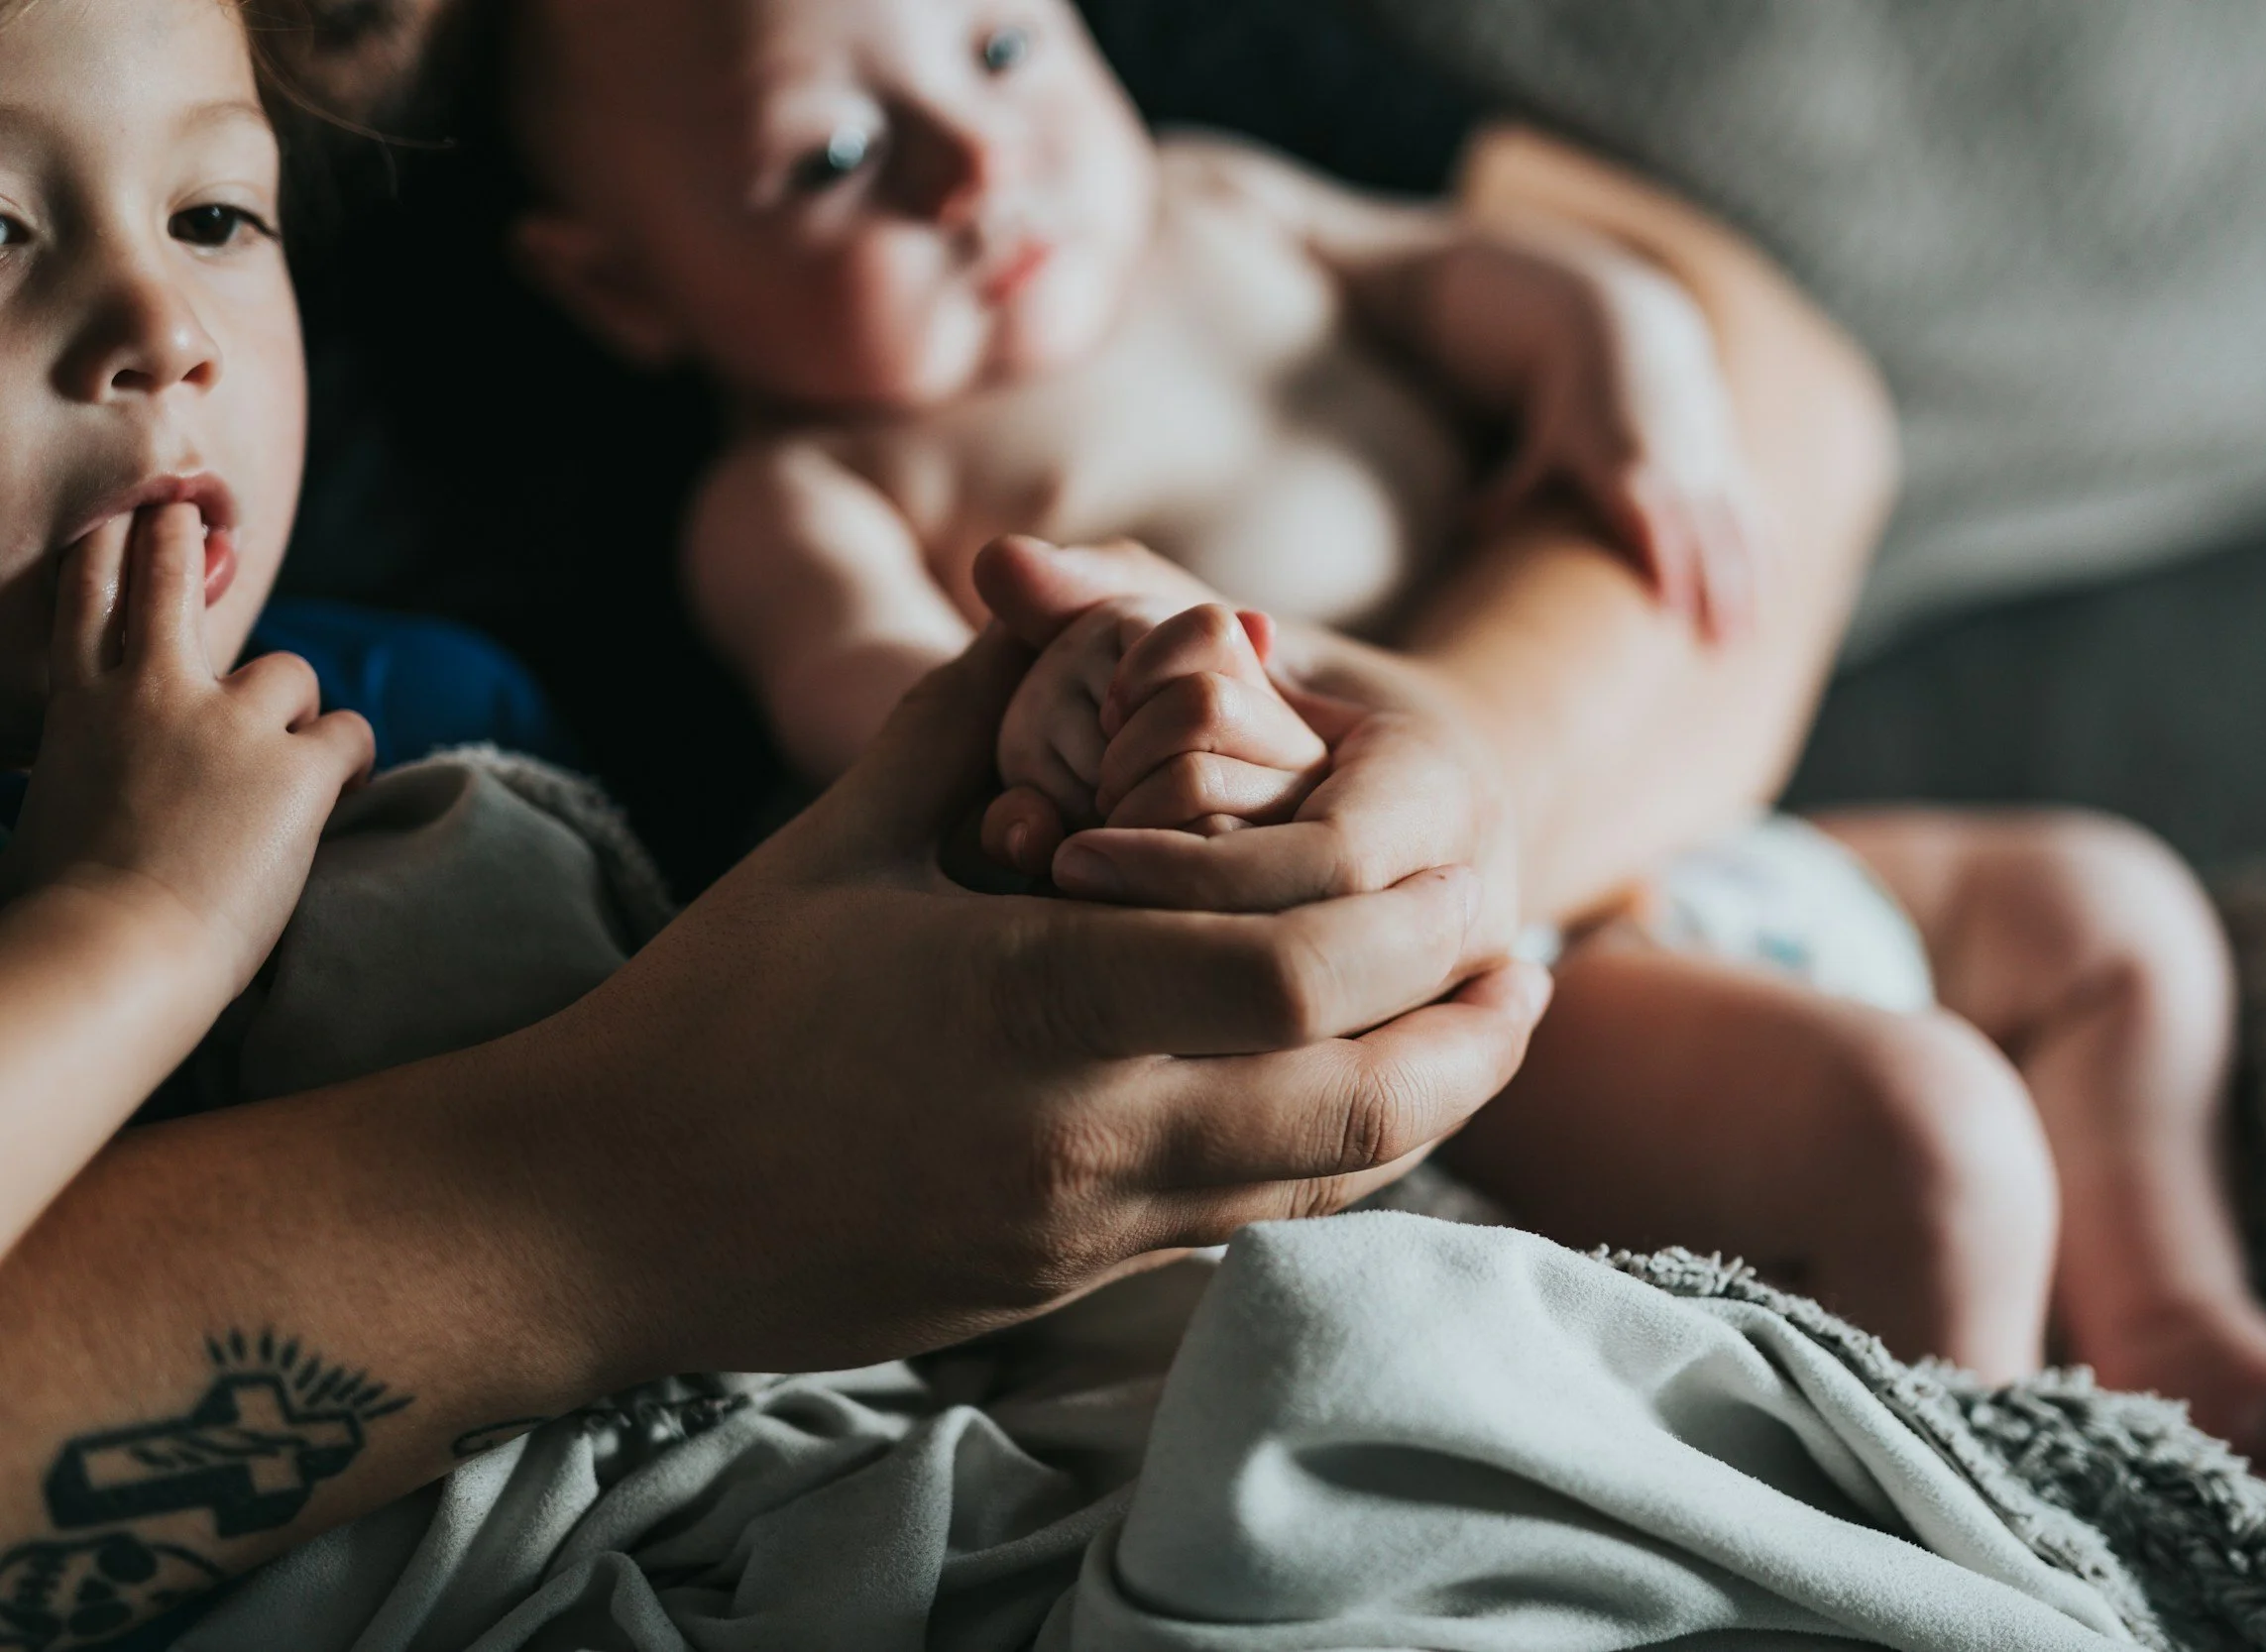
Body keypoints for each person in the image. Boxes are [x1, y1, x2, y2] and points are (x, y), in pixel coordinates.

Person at [499, 0, 2266, 1491]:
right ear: (621, 281)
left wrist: (1626, 381)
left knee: (2110, 905)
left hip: (1670, 837)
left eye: (1003, 45)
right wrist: (1050, 689)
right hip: (1471, 995)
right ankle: (1954, 1515)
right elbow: (857, 688)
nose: (969, 167)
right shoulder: (810, 483)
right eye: (833, 160)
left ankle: (2170, 1311)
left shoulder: (1218, 200)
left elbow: (1500, 280)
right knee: (1926, 1131)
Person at [0, 1, 1552, 1638]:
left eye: (215, 217)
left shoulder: (430, 704)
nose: (160, 323)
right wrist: (135, 917)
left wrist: (1159, 738)